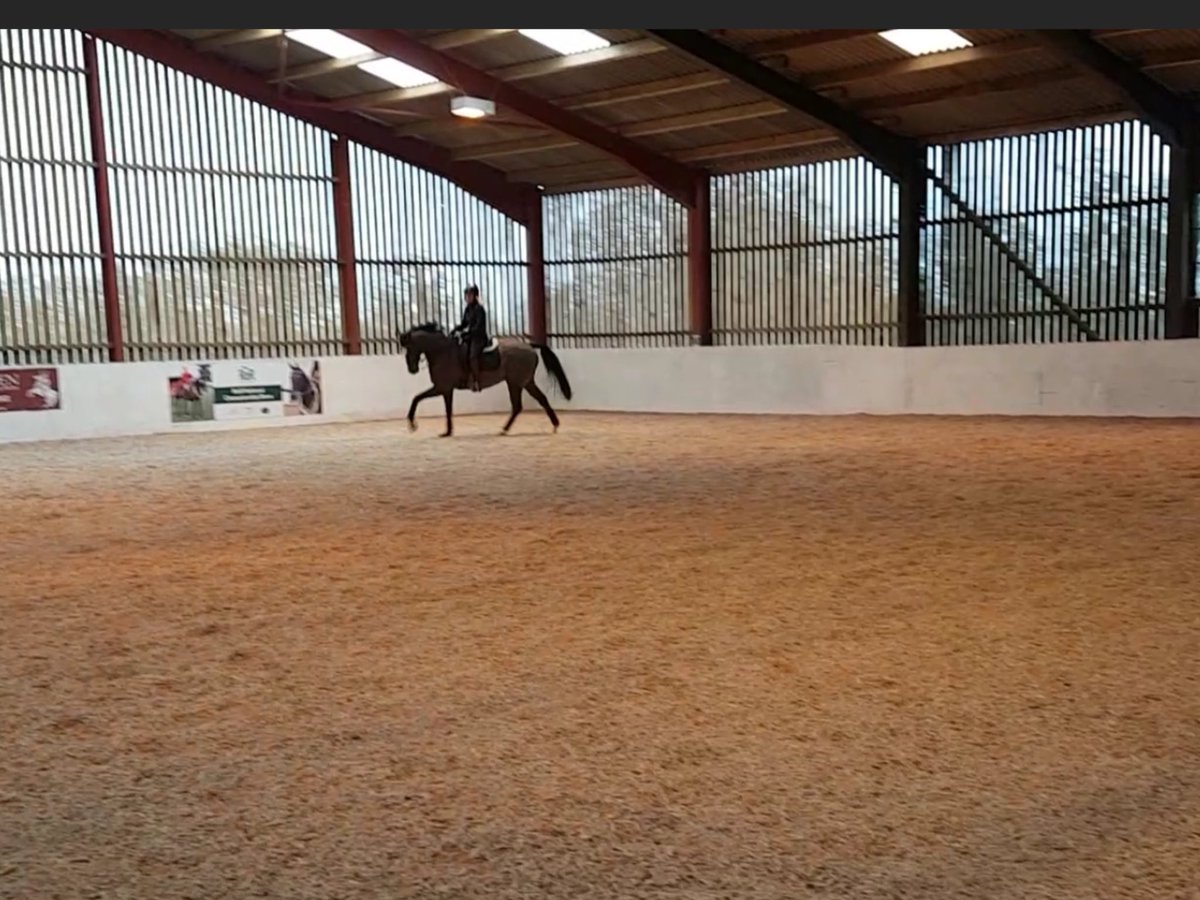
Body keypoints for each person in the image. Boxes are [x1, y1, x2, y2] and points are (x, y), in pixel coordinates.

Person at [452, 284, 489, 391]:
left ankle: (477, 381)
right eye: (466, 295)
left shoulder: (479, 309)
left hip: (479, 338)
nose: (467, 297)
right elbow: (464, 323)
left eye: (470, 295)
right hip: (470, 337)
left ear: (475, 296)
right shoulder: (467, 309)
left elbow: (478, 327)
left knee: (473, 356)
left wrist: (465, 333)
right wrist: (456, 329)